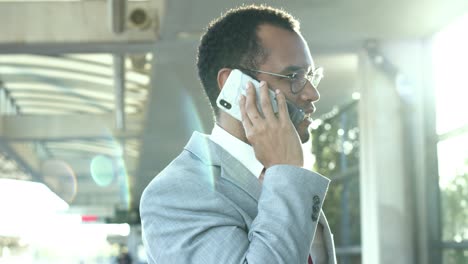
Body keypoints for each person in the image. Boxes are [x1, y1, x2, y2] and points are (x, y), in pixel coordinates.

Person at [140, 4, 336, 264]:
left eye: (310, 76)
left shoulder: (286, 177)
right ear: (235, 86)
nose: (312, 93)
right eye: (292, 75)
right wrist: (284, 169)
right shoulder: (173, 196)